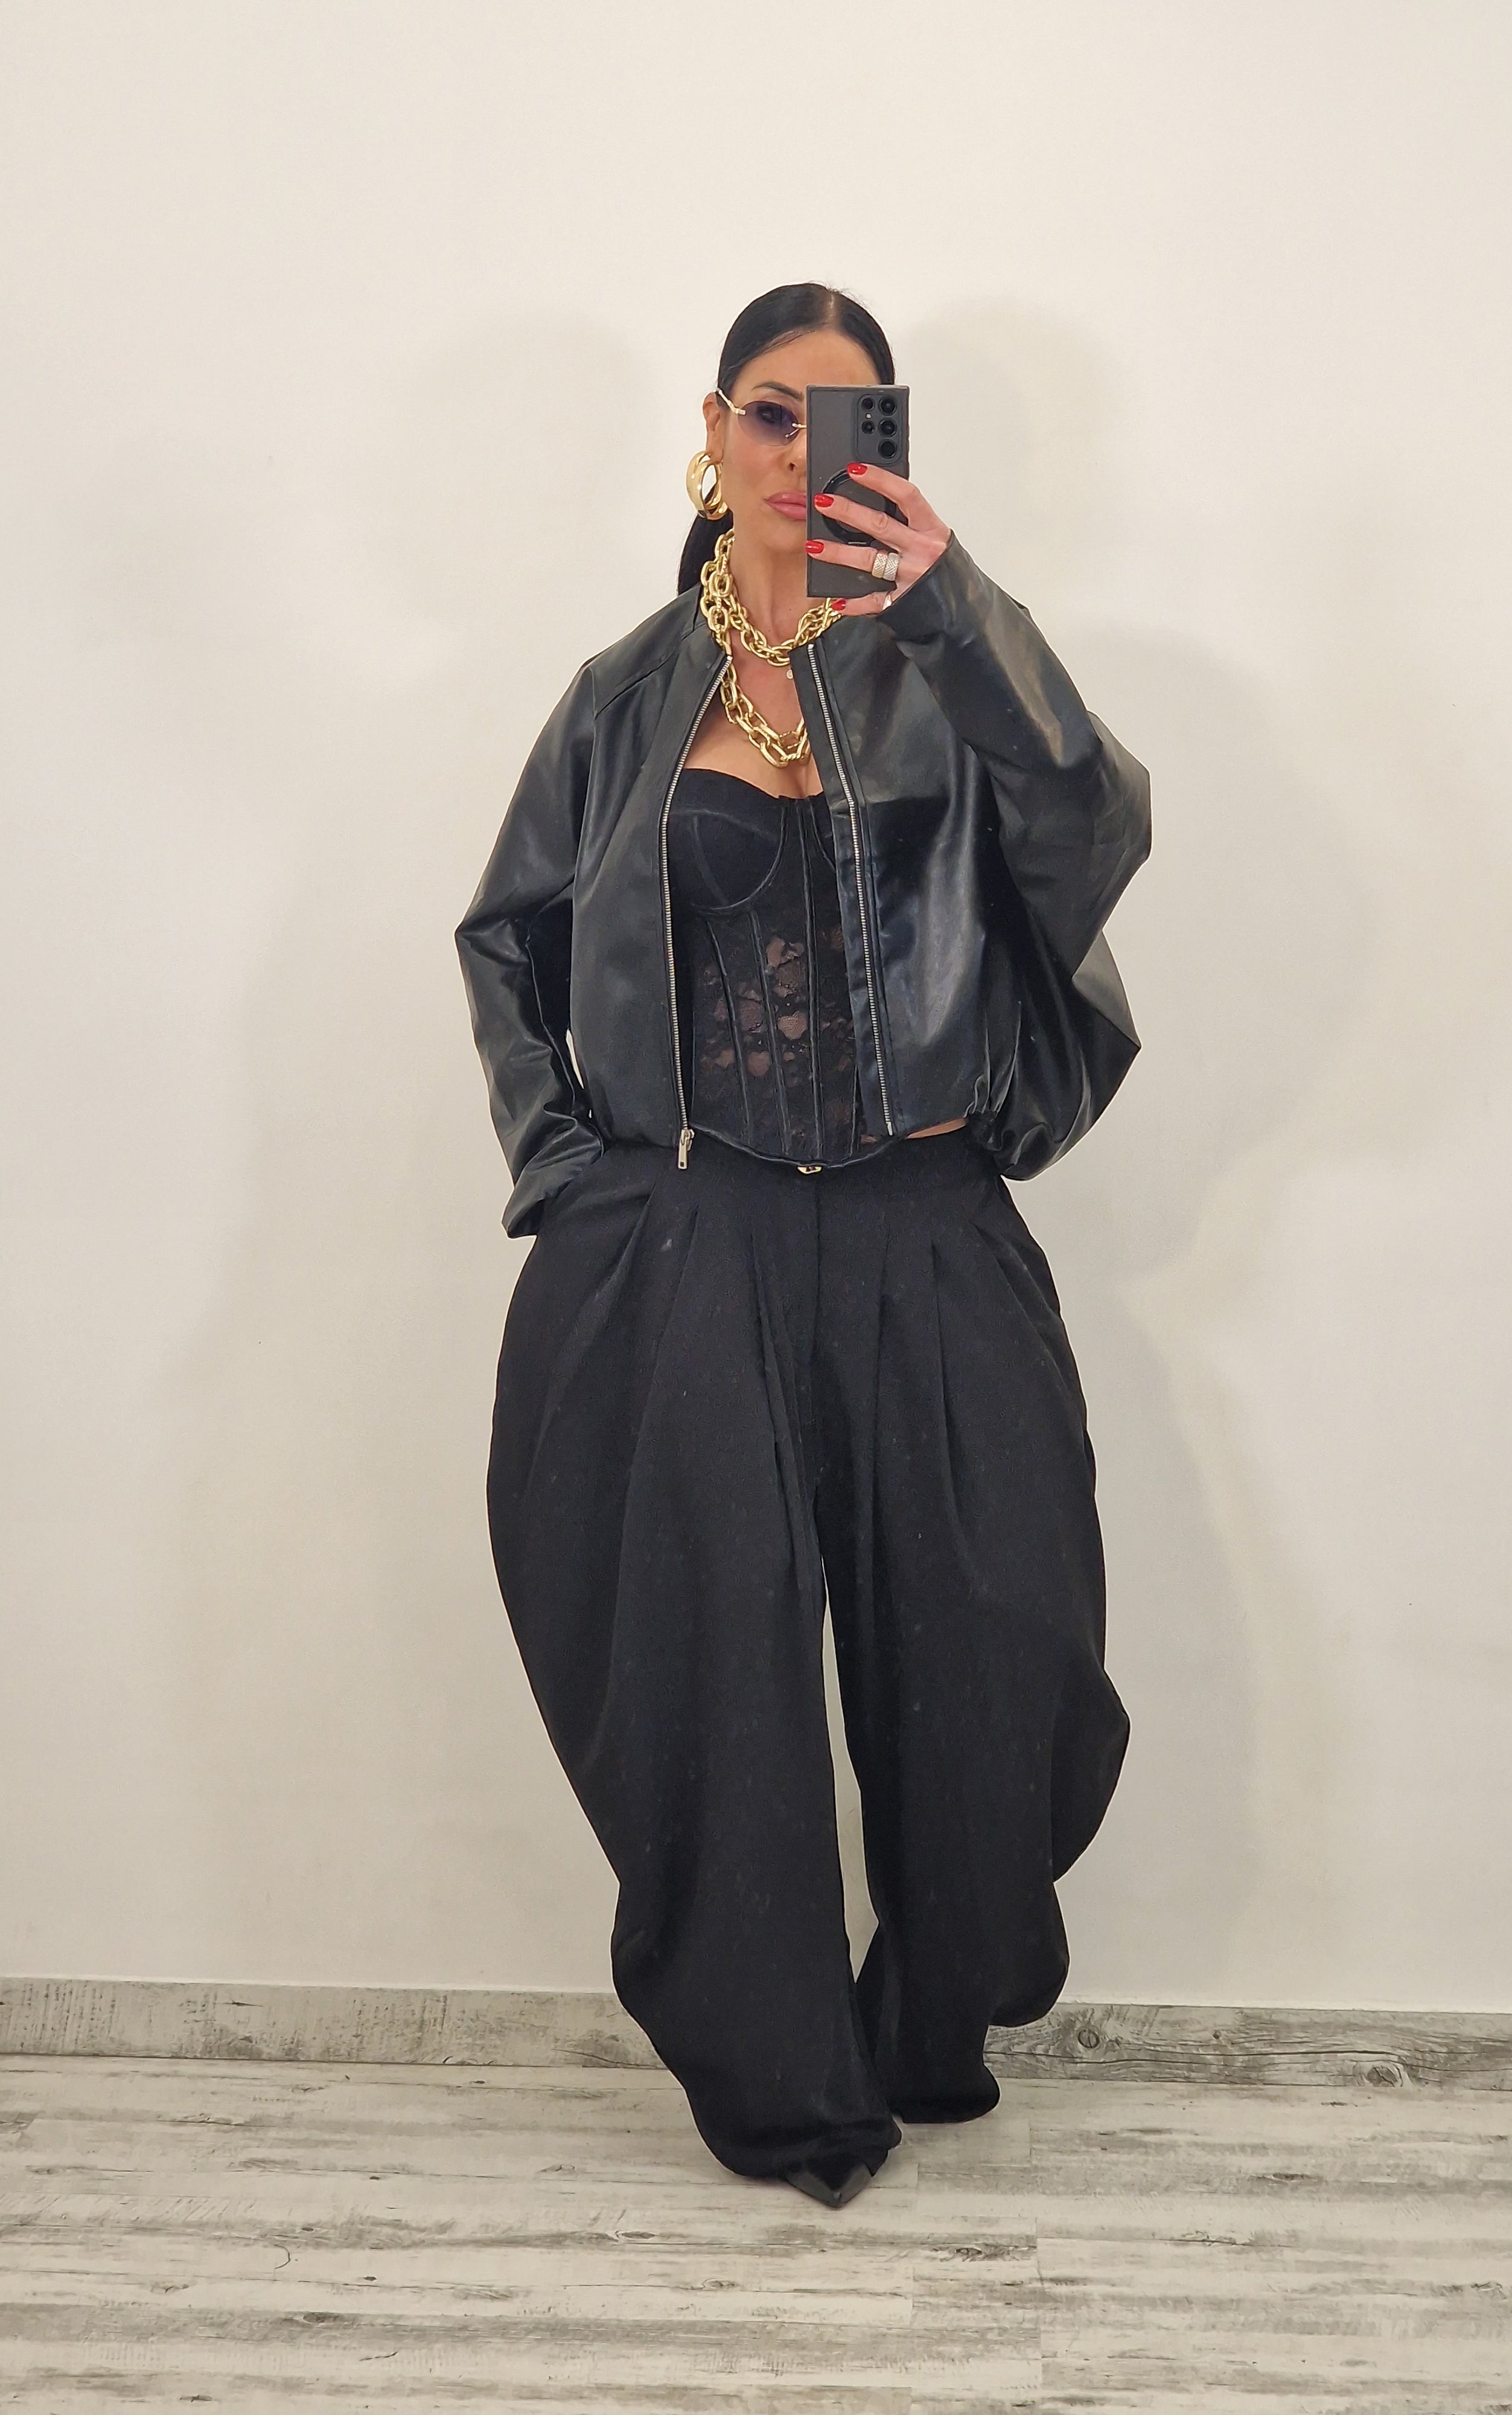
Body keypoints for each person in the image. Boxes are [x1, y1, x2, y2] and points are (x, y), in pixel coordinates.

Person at [455, 283, 1150, 2209]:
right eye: (771, 413)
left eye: (848, 423)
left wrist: (957, 604)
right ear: (713, 429)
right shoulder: (624, 696)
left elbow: (1093, 833)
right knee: (713, 1683)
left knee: (1001, 1646)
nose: (800, 455)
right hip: (692, 1239)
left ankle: (928, 2028)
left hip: (929, 1227)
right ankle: (783, 2086)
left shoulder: (955, 667)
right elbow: (506, 944)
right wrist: (569, 1169)